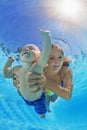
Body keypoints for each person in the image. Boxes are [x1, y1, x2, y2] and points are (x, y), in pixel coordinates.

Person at [2, 29, 52, 118]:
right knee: (27, 101)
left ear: (39, 55)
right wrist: (9, 61)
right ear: (20, 56)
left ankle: (43, 113)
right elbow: (6, 74)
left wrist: (46, 36)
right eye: (24, 49)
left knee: (41, 111)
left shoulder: (38, 65)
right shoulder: (17, 69)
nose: (27, 49)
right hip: (25, 99)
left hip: (38, 99)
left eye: (32, 48)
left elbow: (46, 52)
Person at [28, 44, 73, 111]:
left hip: (57, 87)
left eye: (60, 57)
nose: (56, 62)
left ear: (63, 58)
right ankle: (47, 107)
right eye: (51, 58)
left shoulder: (66, 71)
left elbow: (67, 96)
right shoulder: (41, 69)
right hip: (46, 91)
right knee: (46, 98)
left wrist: (46, 82)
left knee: (53, 99)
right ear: (45, 59)